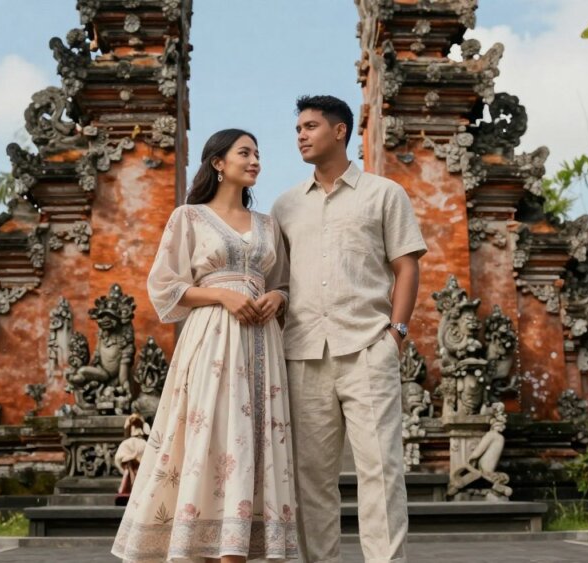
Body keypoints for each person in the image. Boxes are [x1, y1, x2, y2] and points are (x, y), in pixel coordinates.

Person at [112, 129, 298, 562]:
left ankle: (241, 547)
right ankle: (200, 543)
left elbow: (284, 282)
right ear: (218, 162)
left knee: (257, 439)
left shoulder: (269, 225)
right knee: (211, 434)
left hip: (263, 345)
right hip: (213, 338)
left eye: (258, 154)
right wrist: (221, 294)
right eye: (245, 153)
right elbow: (164, 286)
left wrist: (277, 296)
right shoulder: (189, 218)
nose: (255, 161)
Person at [271, 95, 427, 563]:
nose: (300, 134)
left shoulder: (384, 193)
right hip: (302, 353)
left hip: (367, 348)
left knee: (381, 470)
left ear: (340, 132)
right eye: (297, 127)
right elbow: (279, 279)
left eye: (311, 125)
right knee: (310, 479)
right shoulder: (285, 206)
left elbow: (407, 266)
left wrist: (395, 335)